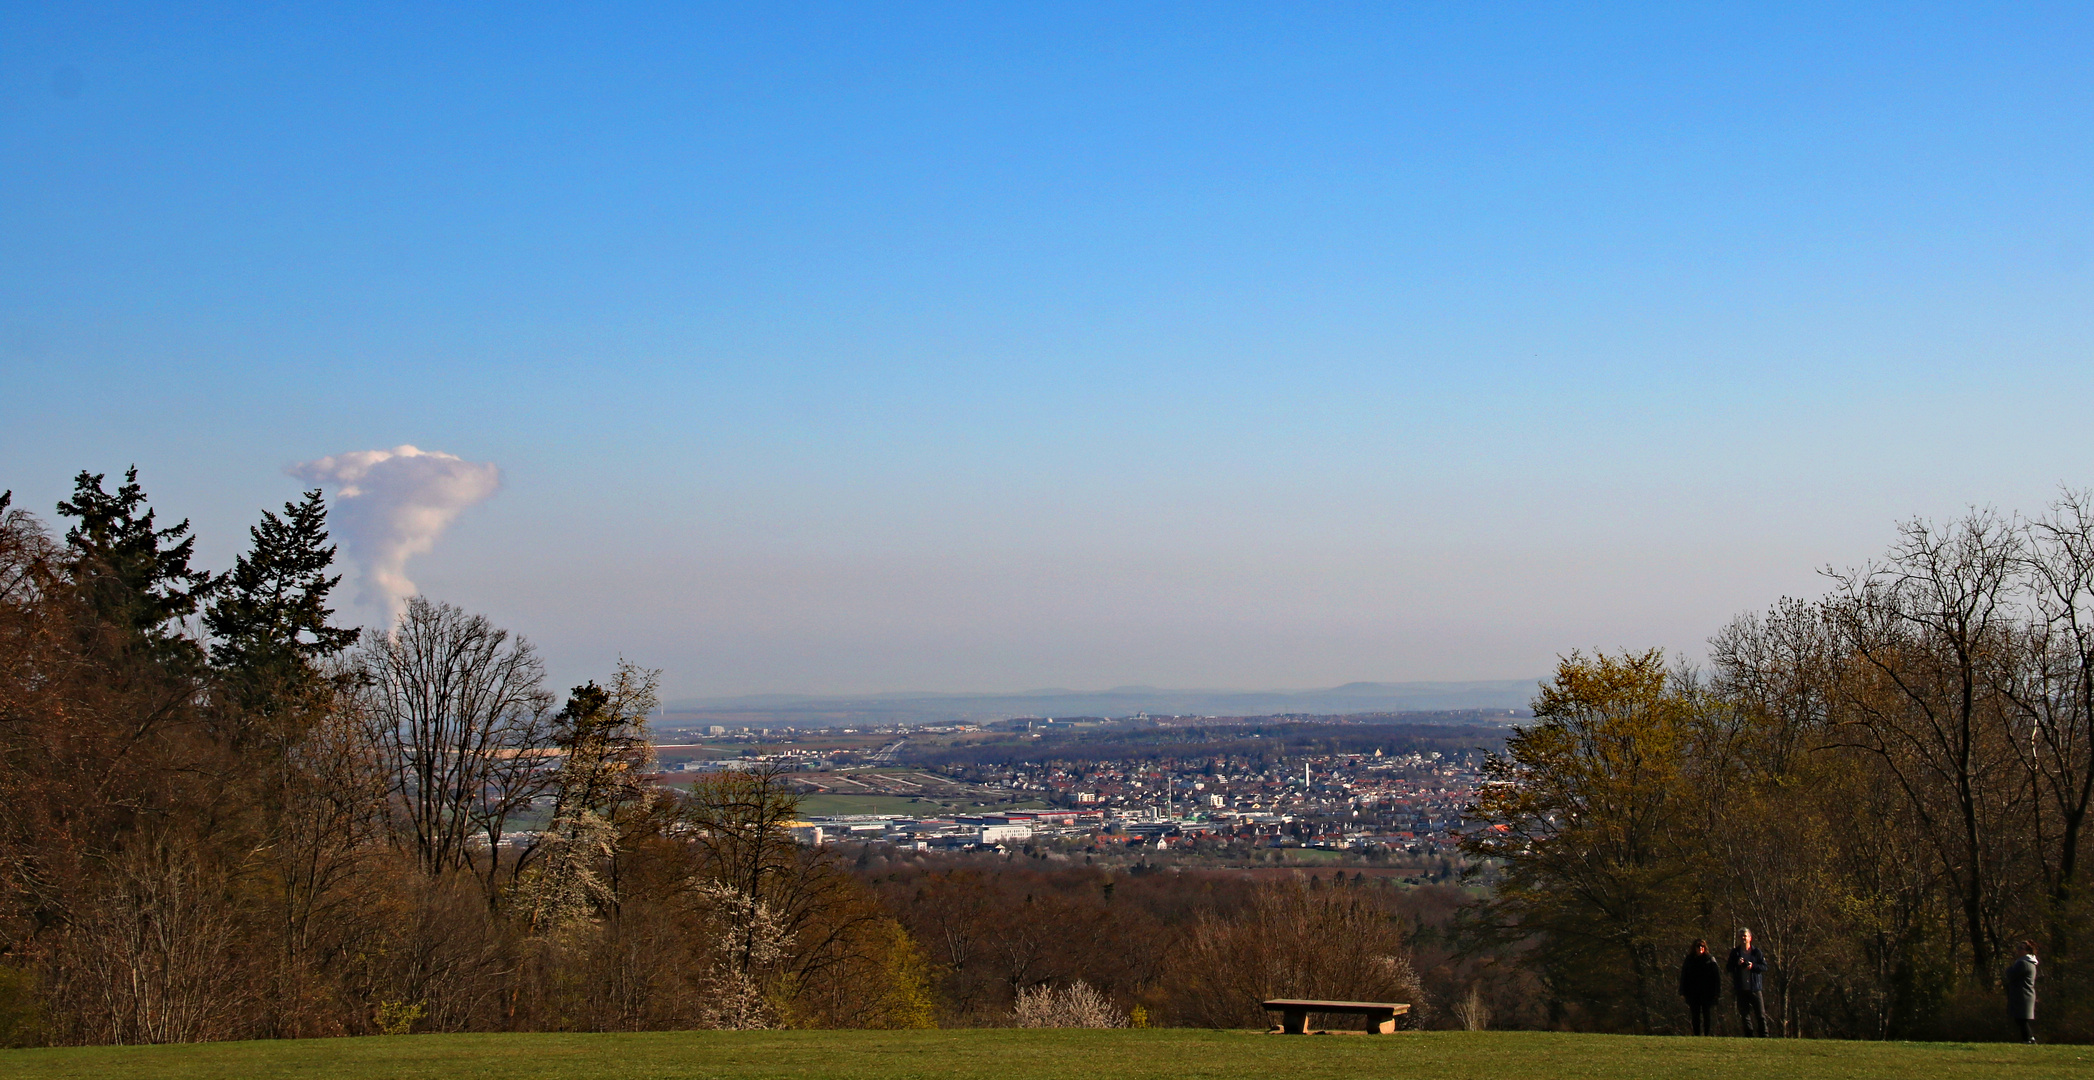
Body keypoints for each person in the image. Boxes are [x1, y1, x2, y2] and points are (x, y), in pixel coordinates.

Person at [1727, 928, 1768, 1037]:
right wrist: (1737, 964)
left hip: (1755, 988)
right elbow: (1729, 967)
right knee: (1744, 1014)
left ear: (1750, 938)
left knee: (1760, 1014)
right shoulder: (1735, 952)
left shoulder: (1756, 952)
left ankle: (1764, 1035)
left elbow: (1764, 967)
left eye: (1745, 936)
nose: (1743, 938)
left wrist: (1752, 966)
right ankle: (1749, 1035)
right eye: (1741, 936)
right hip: (1741, 988)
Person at [1679, 939, 1723, 1035]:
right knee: (1695, 1015)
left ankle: (1707, 1034)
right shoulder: (1689, 960)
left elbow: (1717, 977)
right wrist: (1682, 991)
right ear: (1694, 948)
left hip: (1707, 992)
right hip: (1693, 992)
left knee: (1707, 1014)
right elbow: (1684, 975)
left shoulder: (1710, 959)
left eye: (1702, 946)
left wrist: (1717, 992)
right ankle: (1696, 1034)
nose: (1700, 949)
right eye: (1698, 947)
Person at [2005, 941, 2039, 1044]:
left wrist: (2008, 969)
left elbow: (2011, 974)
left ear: (2027, 951)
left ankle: (2028, 1039)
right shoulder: (2030, 963)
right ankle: (2030, 1038)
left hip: (2022, 994)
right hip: (2026, 994)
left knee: (2021, 1019)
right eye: (2018, 947)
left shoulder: (2023, 963)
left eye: (2021, 948)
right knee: (2021, 1019)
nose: (2018, 950)